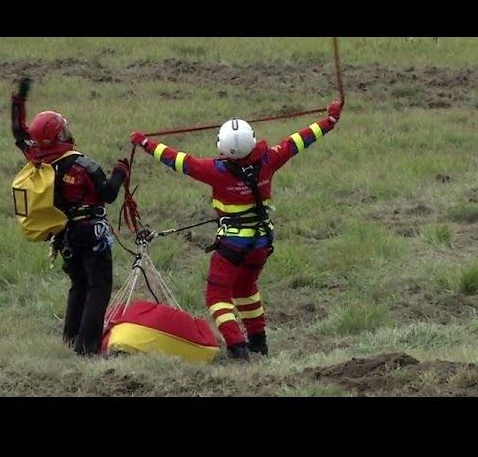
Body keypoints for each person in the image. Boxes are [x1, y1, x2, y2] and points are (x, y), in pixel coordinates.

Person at [129, 101, 343, 360]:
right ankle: (258, 343)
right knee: (245, 288)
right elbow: (299, 140)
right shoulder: (270, 159)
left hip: (232, 245)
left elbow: (177, 160)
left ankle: (237, 346)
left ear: (222, 146)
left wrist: (144, 143)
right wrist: (329, 121)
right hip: (262, 242)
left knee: (216, 295)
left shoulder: (214, 170)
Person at [11, 78, 130, 356]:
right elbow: (108, 194)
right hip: (92, 233)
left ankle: (70, 341)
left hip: (64, 234)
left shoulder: (37, 157)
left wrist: (18, 101)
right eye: (63, 128)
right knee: (99, 286)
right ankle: (87, 348)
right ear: (59, 134)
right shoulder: (82, 165)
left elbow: (19, 133)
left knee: (79, 284)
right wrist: (121, 172)